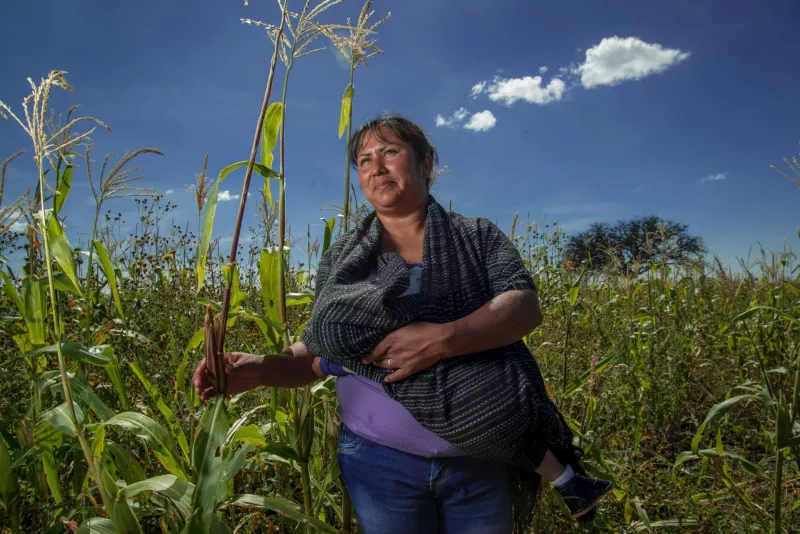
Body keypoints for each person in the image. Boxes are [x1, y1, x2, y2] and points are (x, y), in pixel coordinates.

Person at [193, 114, 612, 533]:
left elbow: (523, 306)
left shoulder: (477, 236)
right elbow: (320, 351)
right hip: (378, 464)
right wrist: (261, 369)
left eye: (390, 153)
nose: (376, 167)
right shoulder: (342, 257)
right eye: (364, 160)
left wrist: (443, 339)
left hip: (481, 465)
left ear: (427, 163)